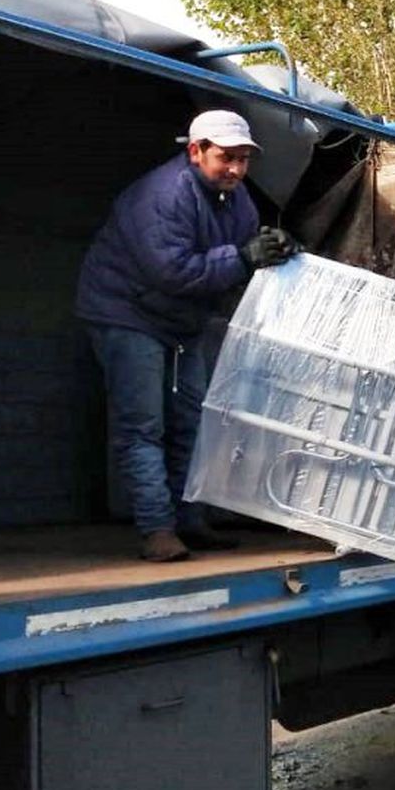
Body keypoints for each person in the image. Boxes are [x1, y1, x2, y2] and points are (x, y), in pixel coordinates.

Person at [76, 110, 297, 562]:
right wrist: (242, 257)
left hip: (180, 321)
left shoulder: (236, 200)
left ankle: (191, 521)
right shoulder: (165, 195)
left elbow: (242, 252)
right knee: (143, 426)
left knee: (193, 420)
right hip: (127, 312)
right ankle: (158, 530)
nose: (236, 169)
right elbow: (173, 271)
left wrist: (274, 250)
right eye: (226, 158)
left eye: (243, 160)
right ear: (195, 152)